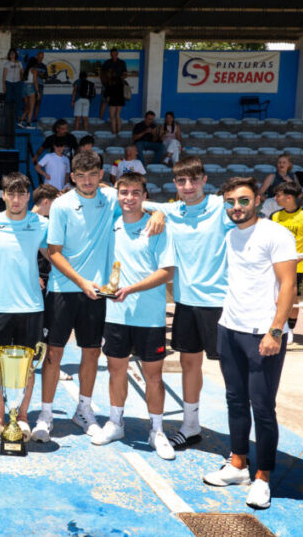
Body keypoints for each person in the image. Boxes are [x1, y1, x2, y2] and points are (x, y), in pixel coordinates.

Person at [38, 151, 163, 443]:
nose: (87, 181)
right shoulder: (61, 205)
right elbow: (54, 251)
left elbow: (147, 203)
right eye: (81, 176)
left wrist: (159, 213)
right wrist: (81, 280)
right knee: (54, 353)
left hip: (98, 293)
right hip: (64, 289)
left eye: (93, 174)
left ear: (101, 175)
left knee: (91, 352)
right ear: (72, 178)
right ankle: (45, 414)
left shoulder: (110, 198)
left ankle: (84, 409)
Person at [202, 176, 296, 510]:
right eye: (230, 202)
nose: (236, 208)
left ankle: (262, 477)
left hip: (263, 333)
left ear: (257, 199)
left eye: (243, 200)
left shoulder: (276, 233)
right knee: (235, 400)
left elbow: (288, 286)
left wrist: (275, 331)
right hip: (230, 328)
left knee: (262, 407)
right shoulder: (231, 236)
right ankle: (239, 464)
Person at [142, 157, 235, 451]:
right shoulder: (171, 209)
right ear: (175, 184)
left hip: (220, 302)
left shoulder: (222, 207)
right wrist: (156, 213)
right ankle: (191, 425)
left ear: (205, 180)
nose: (188, 186)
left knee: (231, 370)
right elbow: (122, 196)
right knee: (188, 363)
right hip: (186, 302)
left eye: (194, 180)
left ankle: (240, 439)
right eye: (181, 181)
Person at [92, 173, 176, 460]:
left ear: (144, 195)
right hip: (116, 314)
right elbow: (97, 188)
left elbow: (167, 272)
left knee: (153, 377)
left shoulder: (157, 227)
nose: (129, 198)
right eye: (124, 192)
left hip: (150, 316)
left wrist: (132, 289)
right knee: (116, 370)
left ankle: (157, 430)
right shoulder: (110, 224)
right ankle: (116, 423)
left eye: (135, 193)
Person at [0, 172, 48, 442]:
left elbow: (55, 255)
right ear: (3, 195)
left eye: (21, 194)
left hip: (31, 306)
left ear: (28, 196)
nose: (16, 199)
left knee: (28, 366)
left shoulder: (41, 224)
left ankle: (24, 416)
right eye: (11, 193)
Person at [271, 182, 303, 341]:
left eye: (278, 195)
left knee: (292, 298)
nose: (275, 198)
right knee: (275, 298)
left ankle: (289, 329)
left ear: (289, 197)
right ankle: (277, 329)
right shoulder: (274, 216)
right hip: (275, 266)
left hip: (297, 266)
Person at [101, 48, 128, 134]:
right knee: (117, 115)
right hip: (119, 98)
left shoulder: (110, 82)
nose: (113, 55)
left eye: (114, 53)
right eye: (112, 53)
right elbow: (101, 73)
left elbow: (107, 94)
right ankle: (119, 130)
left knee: (112, 116)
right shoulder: (120, 81)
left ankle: (114, 131)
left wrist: (108, 96)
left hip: (113, 98)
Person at [2, 48, 23, 122]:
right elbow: (4, 75)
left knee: (18, 99)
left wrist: (21, 78)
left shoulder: (19, 63)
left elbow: (22, 72)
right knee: (8, 98)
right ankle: (7, 115)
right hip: (9, 82)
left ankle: (18, 115)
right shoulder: (7, 63)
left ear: (15, 55)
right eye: (10, 54)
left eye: (13, 53)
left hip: (17, 83)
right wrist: (4, 85)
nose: (12, 55)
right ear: (9, 55)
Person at [18, 57, 38, 128]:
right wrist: (37, 92)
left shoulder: (26, 70)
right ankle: (28, 124)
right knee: (31, 108)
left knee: (27, 107)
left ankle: (21, 120)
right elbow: (35, 81)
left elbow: (22, 79)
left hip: (24, 88)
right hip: (31, 87)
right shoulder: (34, 70)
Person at [32, 51, 48, 124]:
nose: (41, 58)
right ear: (37, 56)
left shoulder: (44, 66)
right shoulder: (32, 64)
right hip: (32, 85)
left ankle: (35, 118)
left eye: (42, 57)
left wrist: (39, 74)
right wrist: (38, 73)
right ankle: (27, 118)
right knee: (31, 102)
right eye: (40, 57)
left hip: (40, 86)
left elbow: (46, 77)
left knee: (38, 102)